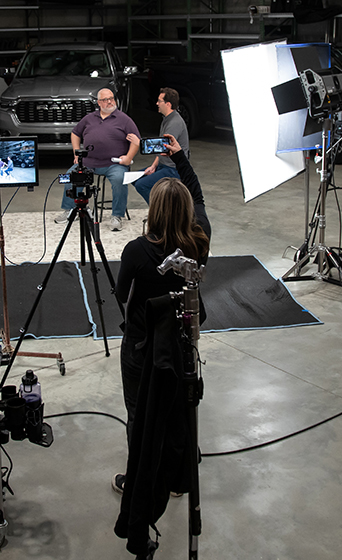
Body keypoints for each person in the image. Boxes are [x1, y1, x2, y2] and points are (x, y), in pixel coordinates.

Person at [112, 176, 210, 495]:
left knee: (139, 414)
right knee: (177, 408)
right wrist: (181, 159)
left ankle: (141, 482)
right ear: (187, 211)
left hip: (142, 345)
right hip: (181, 344)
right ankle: (178, 478)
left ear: (153, 210)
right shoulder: (199, 242)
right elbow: (199, 196)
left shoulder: (136, 250)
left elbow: (122, 293)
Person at [55, 88, 140, 232]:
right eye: (105, 100)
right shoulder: (89, 118)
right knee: (70, 177)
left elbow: (136, 141)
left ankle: (117, 216)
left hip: (114, 163)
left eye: (111, 98)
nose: (109, 102)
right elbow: (75, 133)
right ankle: (70, 209)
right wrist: (76, 153)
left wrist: (129, 157)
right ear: (98, 102)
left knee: (120, 179)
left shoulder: (124, 119)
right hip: (88, 161)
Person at [133, 88, 188, 203]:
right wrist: (153, 166)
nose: (157, 103)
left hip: (172, 169)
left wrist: (139, 143)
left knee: (141, 185)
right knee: (136, 179)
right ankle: (160, 205)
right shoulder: (167, 119)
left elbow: (162, 147)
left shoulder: (174, 123)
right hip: (164, 165)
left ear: (168, 104)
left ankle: (160, 212)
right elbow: (162, 149)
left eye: (159, 101)